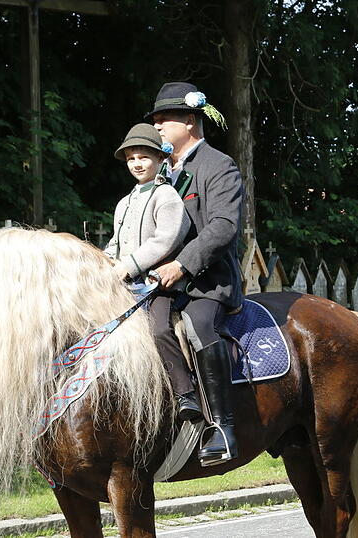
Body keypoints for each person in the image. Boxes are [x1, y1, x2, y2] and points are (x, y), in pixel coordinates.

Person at [147, 81, 245, 466]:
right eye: (153, 120)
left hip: (209, 282)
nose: (156, 127)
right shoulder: (159, 173)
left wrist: (182, 264)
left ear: (189, 120)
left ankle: (223, 427)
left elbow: (222, 226)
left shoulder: (219, 166)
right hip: (162, 281)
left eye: (163, 119)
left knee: (196, 325)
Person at [103, 123, 199, 420]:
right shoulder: (125, 202)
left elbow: (167, 239)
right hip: (127, 286)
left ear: (159, 159)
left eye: (143, 157)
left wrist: (129, 266)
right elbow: (116, 242)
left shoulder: (166, 195)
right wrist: (102, 264)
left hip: (159, 284)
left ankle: (186, 394)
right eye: (131, 158)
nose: (137, 164)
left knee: (159, 329)